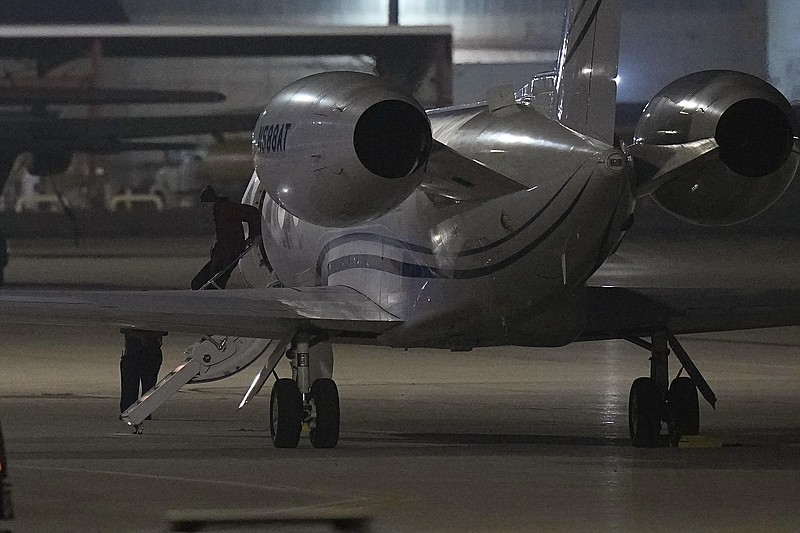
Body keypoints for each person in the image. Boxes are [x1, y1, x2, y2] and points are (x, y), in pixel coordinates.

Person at [191, 185, 262, 290]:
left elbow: (251, 212)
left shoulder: (227, 209)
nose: (206, 208)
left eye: (206, 205)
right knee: (205, 281)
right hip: (223, 252)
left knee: (211, 281)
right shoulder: (220, 210)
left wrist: (254, 235)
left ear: (211, 202)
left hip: (229, 252)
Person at [119, 329, 166, 415]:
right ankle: (142, 415)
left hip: (136, 348)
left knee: (130, 390)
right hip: (149, 348)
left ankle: (129, 414)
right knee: (148, 389)